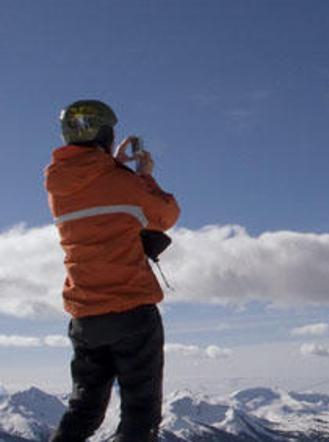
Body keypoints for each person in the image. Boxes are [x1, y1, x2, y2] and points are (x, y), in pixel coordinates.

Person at [45, 100, 180, 441]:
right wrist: (144, 175)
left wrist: (115, 166)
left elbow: (98, 197)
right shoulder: (126, 183)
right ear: (105, 133)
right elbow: (166, 215)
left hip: (85, 317)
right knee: (140, 415)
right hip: (131, 311)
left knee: (84, 409)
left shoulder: (59, 186)